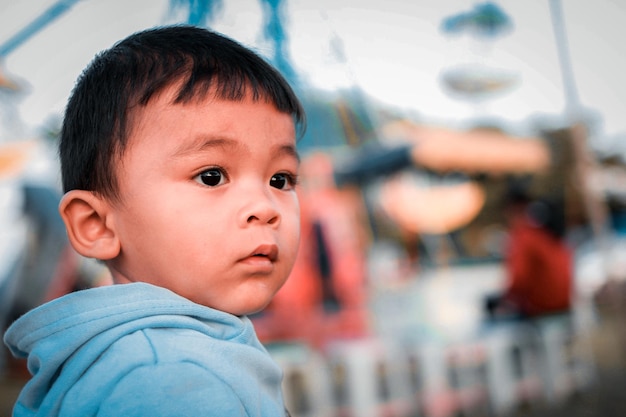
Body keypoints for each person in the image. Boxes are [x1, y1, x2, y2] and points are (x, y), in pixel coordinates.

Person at [3, 25, 305, 417]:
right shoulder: (171, 380)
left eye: (280, 179)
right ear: (97, 225)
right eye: (211, 175)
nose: (265, 207)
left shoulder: (148, 359)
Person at [485, 185, 573, 320]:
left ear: (510, 209)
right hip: (565, 303)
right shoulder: (542, 229)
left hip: (544, 308)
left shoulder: (523, 235)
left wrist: (503, 298)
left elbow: (519, 279)